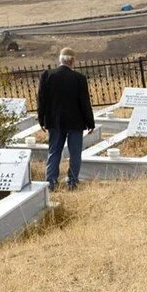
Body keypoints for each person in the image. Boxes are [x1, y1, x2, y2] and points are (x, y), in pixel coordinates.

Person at [36, 47, 95, 191]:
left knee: (54, 151)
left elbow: (41, 100)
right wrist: (90, 122)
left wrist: (41, 119)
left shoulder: (47, 75)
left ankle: (51, 181)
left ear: (60, 59)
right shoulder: (79, 78)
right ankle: (72, 181)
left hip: (55, 121)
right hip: (75, 121)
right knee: (75, 153)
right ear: (73, 60)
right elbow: (84, 102)